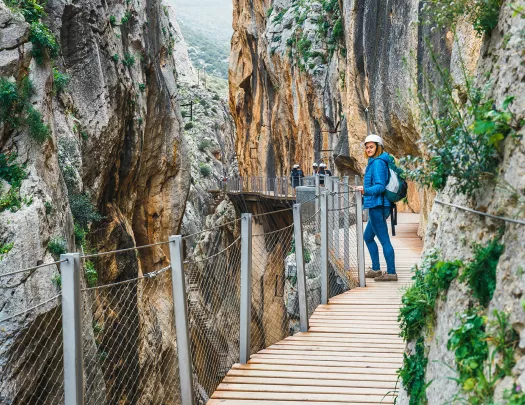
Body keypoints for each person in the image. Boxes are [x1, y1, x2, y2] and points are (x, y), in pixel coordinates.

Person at [355, 134, 397, 281]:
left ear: (378, 147)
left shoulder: (378, 163)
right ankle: (376, 269)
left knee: (384, 240)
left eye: (371, 147)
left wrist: (365, 190)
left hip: (378, 205)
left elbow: (379, 186)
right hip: (376, 204)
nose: (368, 149)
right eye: (367, 147)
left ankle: (391, 273)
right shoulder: (374, 162)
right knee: (368, 237)